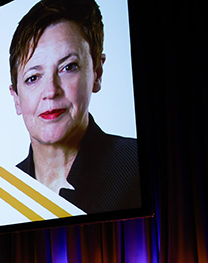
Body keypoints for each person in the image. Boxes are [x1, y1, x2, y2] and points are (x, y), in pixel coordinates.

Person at [9, 0, 140, 214]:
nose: (51, 91)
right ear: (16, 98)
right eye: (33, 78)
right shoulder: (6, 189)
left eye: (68, 67)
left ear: (97, 73)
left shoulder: (135, 165)